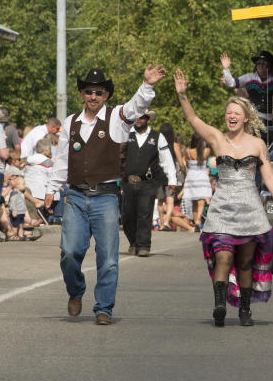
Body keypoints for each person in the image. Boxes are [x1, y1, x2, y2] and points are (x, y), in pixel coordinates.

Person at [45, 65, 166, 326]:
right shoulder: (70, 122)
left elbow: (136, 106)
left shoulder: (117, 118)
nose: (93, 96)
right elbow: (62, 160)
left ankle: (104, 308)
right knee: (68, 252)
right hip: (76, 196)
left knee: (109, 258)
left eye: (99, 92)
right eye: (89, 91)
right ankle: (76, 291)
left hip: (106, 196)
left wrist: (147, 85)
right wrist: (51, 189)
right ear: (82, 93)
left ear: (107, 95)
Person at [175, 69, 273, 327]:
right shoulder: (217, 138)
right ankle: (219, 305)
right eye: (228, 113)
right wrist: (182, 94)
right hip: (223, 208)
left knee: (246, 262)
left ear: (246, 117)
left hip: (250, 209)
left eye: (236, 113)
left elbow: (268, 175)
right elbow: (192, 118)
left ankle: (245, 310)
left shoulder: (257, 144)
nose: (231, 117)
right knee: (223, 256)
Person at [120, 110, 177, 257]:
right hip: (127, 181)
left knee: (144, 214)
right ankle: (133, 242)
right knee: (127, 215)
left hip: (147, 181)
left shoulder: (157, 137)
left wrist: (172, 180)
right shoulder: (126, 134)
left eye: (142, 118)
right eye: (136, 118)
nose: (138, 120)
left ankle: (144, 245)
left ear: (148, 120)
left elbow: (166, 159)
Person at [220, 51, 273, 125]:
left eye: (264, 63)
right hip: (254, 119)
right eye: (258, 63)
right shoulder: (249, 77)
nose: (261, 65)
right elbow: (232, 83)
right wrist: (226, 69)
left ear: (270, 66)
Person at [182, 132, 213, 229]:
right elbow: (207, 156)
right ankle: (198, 220)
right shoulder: (206, 151)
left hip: (191, 177)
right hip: (202, 177)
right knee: (202, 200)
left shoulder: (187, 151)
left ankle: (196, 221)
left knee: (194, 200)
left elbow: (187, 163)